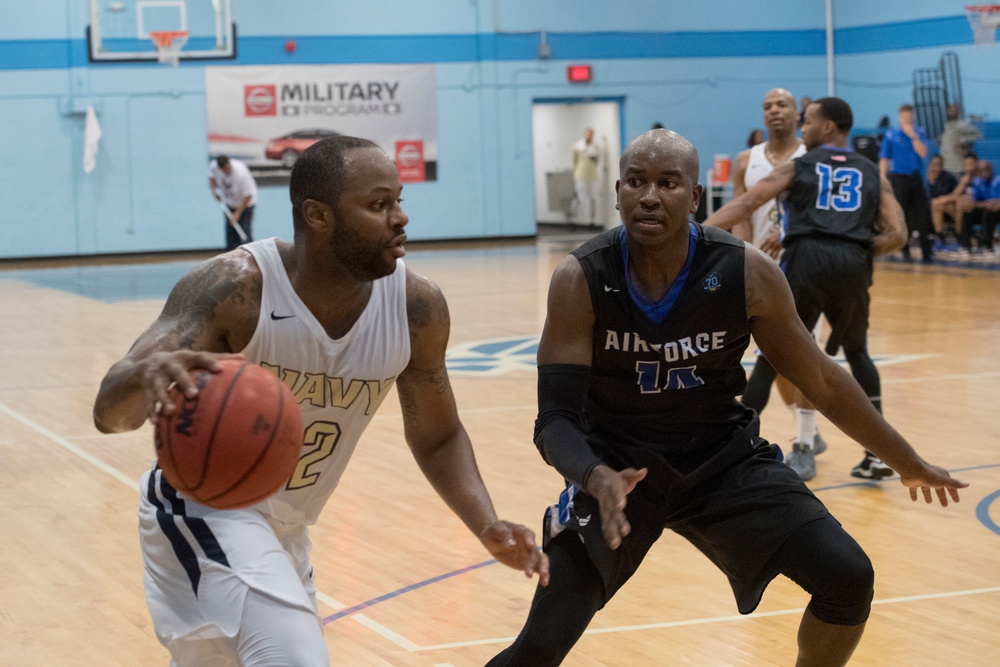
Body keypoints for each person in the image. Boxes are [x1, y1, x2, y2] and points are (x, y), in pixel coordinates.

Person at [486, 123, 965, 667]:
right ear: (617, 191)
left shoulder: (745, 271)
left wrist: (908, 462)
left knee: (848, 578)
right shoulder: (581, 277)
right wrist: (595, 477)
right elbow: (554, 421)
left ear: (694, 197)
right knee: (539, 647)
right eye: (635, 182)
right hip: (616, 471)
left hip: (721, 461)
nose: (649, 195)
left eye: (668, 183)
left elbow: (823, 381)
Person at [94, 136, 549, 666]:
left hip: (288, 529)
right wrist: (145, 374)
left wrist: (484, 521)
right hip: (201, 507)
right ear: (318, 215)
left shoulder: (416, 307)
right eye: (379, 205)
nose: (400, 218)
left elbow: (437, 434)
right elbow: (109, 415)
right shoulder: (236, 288)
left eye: (400, 200)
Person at [709, 97, 911, 481]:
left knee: (771, 355)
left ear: (830, 127)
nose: (804, 127)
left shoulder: (801, 165)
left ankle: (731, 449)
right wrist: (855, 248)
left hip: (806, 260)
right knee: (858, 354)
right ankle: (878, 456)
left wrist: (697, 234)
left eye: (810, 121)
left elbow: (750, 200)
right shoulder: (872, 171)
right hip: (853, 263)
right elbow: (898, 234)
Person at [706, 88, 826, 473]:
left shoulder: (813, 158)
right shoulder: (747, 159)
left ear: (797, 113)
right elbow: (741, 210)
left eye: (782, 105)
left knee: (802, 357)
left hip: (804, 267)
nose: (775, 111)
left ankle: (804, 443)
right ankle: (810, 427)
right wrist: (744, 252)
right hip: (761, 269)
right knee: (772, 356)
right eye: (768, 106)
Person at [879, 104, 934, 262]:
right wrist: (882, 178)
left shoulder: (919, 132)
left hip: (915, 177)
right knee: (901, 214)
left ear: (913, 117)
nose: (908, 119)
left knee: (922, 213)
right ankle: (904, 249)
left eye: (910, 117)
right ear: (900, 117)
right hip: (898, 178)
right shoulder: (891, 134)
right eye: (905, 117)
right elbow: (884, 158)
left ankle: (926, 251)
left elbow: (923, 153)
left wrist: (913, 136)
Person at [209, 155, 258, 251]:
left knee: (245, 233)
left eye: (227, 169)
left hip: (246, 205)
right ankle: (231, 256)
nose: (225, 172)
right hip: (229, 204)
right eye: (223, 170)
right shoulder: (214, 166)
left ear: (229, 163)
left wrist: (237, 214)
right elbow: (212, 178)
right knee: (230, 235)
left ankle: (250, 255)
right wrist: (214, 191)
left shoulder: (241, 173)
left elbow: (248, 196)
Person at [957, 159, 1000, 254]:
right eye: (981, 170)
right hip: (986, 210)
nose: (983, 171)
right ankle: (965, 245)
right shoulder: (977, 181)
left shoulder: (998, 180)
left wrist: (987, 204)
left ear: (991, 169)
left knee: (988, 211)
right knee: (968, 210)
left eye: (986, 169)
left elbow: (997, 204)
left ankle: (986, 245)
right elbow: (973, 202)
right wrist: (984, 204)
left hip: (997, 212)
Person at [938, 103, 981, 178]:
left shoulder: (962, 124)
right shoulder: (947, 124)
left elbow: (977, 134)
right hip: (946, 164)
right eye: (950, 110)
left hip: (956, 165)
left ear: (958, 112)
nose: (952, 112)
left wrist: (963, 142)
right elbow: (951, 136)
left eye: (954, 111)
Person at [571, 128, 603, 225]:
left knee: (593, 198)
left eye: (591, 134)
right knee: (580, 198)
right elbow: (574, 161)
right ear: (584, 134)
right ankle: (575, 219)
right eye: (587, 134)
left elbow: (597, 161)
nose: (589, 136)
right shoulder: (577, 146)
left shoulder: (596, 147)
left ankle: (591, 220)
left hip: (592, 176)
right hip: (580, 176)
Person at [926, 154, 960, 245]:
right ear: (930, 164)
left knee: (938, 204)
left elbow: (957, 194)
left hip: (946, 206)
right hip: (926, 208)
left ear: (942, 164)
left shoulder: (949, 177)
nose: (937, 165)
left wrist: (945, 199)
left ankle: (947, 237)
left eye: (939, 163)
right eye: (934, 163)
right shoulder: (924, 177)